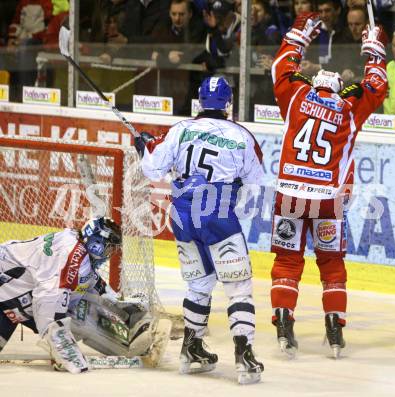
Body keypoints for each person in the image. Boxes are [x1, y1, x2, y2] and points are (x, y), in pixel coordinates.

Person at [270, 12, 388, 358]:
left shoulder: (295, 96)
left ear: (313, 83)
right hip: (328, 200)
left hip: (291, 194)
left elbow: (281, 68)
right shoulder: (349, 108)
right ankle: (335, 329)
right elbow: (377, 86)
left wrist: (297, 36)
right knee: (332, 263)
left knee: (288, 260)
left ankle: (282, 319)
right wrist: (375, 51)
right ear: (338, 88)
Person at [135, 76, 265, 384]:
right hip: (218, 215)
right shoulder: (241, 135)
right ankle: (244, 356)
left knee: (199, 284)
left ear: (199, 100)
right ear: (229, 103)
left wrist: (143, 147)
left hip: (181, 216)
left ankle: (190, 349)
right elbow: (256, 183)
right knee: (238, 287)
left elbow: (153, 170)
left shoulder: (179, 130)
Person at [0, 217, 167, 372]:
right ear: (97, 244)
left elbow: (88, 281)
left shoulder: (77, 247)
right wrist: (61, 345)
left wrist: (118, 302)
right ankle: (129, 342)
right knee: (78, 312)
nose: (110, 255)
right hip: (9, 290)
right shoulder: (71, 254)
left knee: (77, 303)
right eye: (109, 248)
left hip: (10, 300)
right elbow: (48, 297)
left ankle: (133, 339)